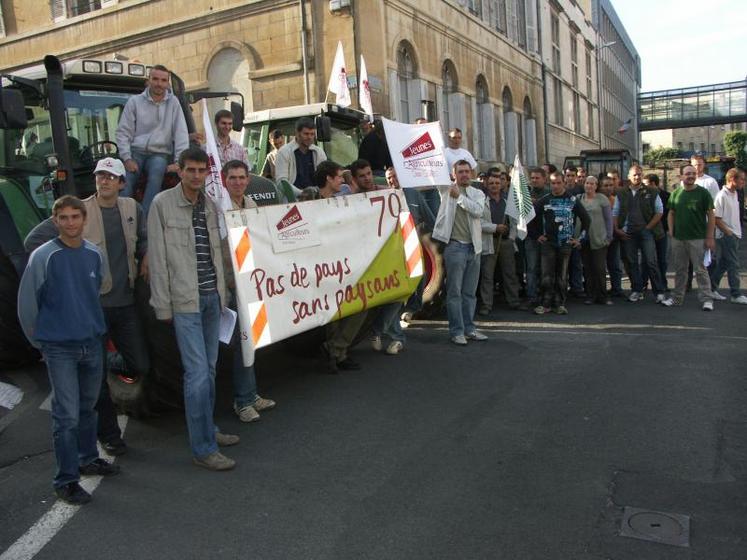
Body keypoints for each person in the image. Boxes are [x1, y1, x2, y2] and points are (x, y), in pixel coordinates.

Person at [18, 196, 119, 505]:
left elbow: (98, 289)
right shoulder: (43, 256)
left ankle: (88, 458)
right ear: (55, 221)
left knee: (88, 407)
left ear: (84, 219)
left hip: (91, 343)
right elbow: (27, 306)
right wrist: (41, 343)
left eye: (76, 216)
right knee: (66, 416)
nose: (71, 222)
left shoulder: (93, 254)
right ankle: (66, 479)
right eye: (64, 217)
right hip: (59, 348)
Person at [148, 147, 239, 471]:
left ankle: (209, 430)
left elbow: (217, 253)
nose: (197, 175)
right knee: (197, 375)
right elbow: (158, 261)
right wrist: (163, 306)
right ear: (181, 171)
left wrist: (224, 293)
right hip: (184, 304)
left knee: (210, 372)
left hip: (212, 300)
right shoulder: (161, 205)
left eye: (202, 170)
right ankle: (203, 448)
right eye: (191, 170)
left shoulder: (211, 205)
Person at [221, 160, 277, 421]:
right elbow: (219, 251)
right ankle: (242, 401)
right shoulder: (219, 209)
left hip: (249, 283)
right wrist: (230, 280)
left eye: (242, 177)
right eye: (233, 178)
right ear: (224, 180)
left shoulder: (251, 206)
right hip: (231, 285)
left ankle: (250, 393)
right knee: (241, 342)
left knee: (251, 340)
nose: (238, 182)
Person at [116, 65, 189, 214]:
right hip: (135, 151)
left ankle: (145, 219)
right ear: (148, 80)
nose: (159, 83)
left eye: (163, 80)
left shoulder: (174, 103)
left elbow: (181, 132)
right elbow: (123, 131)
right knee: (126, 181)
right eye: (155, 79)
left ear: (167, 83)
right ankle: (122, 216)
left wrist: (178, 162)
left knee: (156, 174)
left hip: (159, 153)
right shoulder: (134, 102)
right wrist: (126, 158)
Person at [433, 160, 487, 345]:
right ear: (453, 174)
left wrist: (460, 198)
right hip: (455, 247)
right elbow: (433, 173)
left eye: (467, 171)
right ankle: (457, 331)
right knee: (454, 292)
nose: (464, 174)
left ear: (471, 173)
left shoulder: (477, 192)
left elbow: (478, 211)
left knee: (470, 293)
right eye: (460, 171)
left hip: (474, 247)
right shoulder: (446, 190)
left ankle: (469, 328)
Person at [613, 165, 673, 306]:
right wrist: (617, 229)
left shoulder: (652, 191)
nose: (637, 177)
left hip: (646, 232)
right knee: (631, 261)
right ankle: (637, 290)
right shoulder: (621, 193)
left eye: (639, 174)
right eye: (634, 175)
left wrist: (648, 228)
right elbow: (615, 212)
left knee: (651, 261)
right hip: (628, 232)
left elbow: (659, 211)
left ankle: (659, 292)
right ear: (629, 176)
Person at [533, 171, 590, 315]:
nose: (556, 186)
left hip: (565, 244)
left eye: (559, 183)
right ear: (549, 183)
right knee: (546, 275)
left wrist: (579, 239)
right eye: (553, 183)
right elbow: (530, 219)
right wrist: (537, 235)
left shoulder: (572, 200)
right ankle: (545, 303)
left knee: (562, 275)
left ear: (564, 183)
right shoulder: (544, 200)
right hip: (548, 244)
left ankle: (559, 304)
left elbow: (586, 220)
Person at [667, 165, 716, 311]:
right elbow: (671, 213)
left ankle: (707, 300)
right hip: (678, 238)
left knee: (700, 270)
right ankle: (677, 298)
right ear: (681, 176)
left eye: (693, 173)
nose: (691, 176)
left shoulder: (703, 193)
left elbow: (711, 215)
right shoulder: (675, 193)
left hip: (697, 238)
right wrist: (671, 231)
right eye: (688, 173)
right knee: (680, 270)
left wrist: (710, 237)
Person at [478, 174, 520, 314]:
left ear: (501, 184)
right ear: (486, 185)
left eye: (497, 182)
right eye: (491, 183)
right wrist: (495, 227)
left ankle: (513, 301)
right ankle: (486, 305)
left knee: (509, 274)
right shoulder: (482, 201)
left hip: (506, 242)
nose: (494, 185)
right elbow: (478, 223)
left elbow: (514, 222)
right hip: (490, 241)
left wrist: (512, 238)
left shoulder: (507, 201)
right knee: (487, 275)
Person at [710, 168, 747, 304]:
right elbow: (716, 217)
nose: (744, 182)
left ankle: (711, 289)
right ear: (732, 179)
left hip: (734, 234)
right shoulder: (722, 195)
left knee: (724, 264)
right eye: (742, 179)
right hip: (727, 236)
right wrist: (728, 232)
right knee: (733, 264)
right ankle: (736, 294)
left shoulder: (735, 193)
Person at [579, 176, 613, 305]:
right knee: (587, 269)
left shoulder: (602, 199)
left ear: (596, 186)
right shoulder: (579, 199)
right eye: (587, 183)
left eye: (592, 184)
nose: (589, 186)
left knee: (599, 268)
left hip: (599, 238)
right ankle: (590, 295)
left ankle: (603, 296)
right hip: (583, 238)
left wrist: (609, 237)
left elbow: (609, 219)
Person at [274, 117, 327, 189]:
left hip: (316, 196)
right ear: (297, 133)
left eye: (312, 134)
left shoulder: (319, 152)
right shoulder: (284, 152)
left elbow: (325, 178)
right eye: (306, 134)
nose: (309, 137)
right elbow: (281, 182)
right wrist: (301, 193)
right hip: (292, 198)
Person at [641, 173, 670, 294]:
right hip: (647, 231)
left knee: (661, 260)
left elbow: (667, 214)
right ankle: (643, 283)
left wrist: (665, 229)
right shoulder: (642, 195)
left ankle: (662, 283)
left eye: (646, 184)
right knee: (646, 259)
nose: (644, 187)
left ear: (653, 184)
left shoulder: (666, 196)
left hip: (661, 232)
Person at [600, 173, 624, 297]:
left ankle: (617, 288)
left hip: (614, 237)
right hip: (599, 238)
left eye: (610, 185)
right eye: (605, 185)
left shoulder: (616, 200)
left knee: (614, 264)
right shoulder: (597, 199)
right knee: (599, 266)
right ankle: (601, 289)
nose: (608, 188)